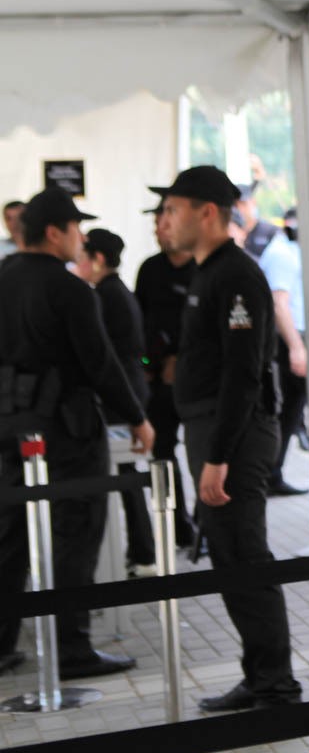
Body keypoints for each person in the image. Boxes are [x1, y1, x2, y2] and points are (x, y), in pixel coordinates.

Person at [157, 166, 301, 711]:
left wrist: (217, 457)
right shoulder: (209, 271)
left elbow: (243, 374)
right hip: (214, 429)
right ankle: (261, 676)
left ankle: (276, 685)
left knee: (244, 554)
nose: (166, 221)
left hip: (234, 434)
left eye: (173, 210)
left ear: (207, 213)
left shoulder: (236, 274)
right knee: (229, 556)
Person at [0, 188, 152, 679]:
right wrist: (136, 416)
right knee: (76, 534)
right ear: (53, 232)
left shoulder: (3, 277)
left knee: (8, 536)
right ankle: (72, 648)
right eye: (75, 228)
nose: (80, 238)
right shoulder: (70, 289)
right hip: (67, 429)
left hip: (7, 425)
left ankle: (2, 644)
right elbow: (100, 365)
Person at [77, 228, 157, 576]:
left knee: (125, 476)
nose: (76, 264)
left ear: (97, 259)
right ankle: (141, 551)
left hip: (121, 397)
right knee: (127, 476)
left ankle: (144, 553)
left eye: (81, 257)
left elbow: (104, 357)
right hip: (130, 391)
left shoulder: (105, 296)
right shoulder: (115, 291)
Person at [135, 199, 198, 549]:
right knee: (162, 451)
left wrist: (182, 359)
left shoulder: (204, 269)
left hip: (197, 381)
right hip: (159, 381)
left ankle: (206, 525)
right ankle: (178, 527)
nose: (159, 232)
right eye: (155, 226)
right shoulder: (150, 269)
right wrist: (146, 366)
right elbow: (140, 321)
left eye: (165, 224)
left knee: (205, 451)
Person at [256, 211, 309, 496]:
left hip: (296, 338)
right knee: (287, 411)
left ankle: (273, 473)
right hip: (290, 339)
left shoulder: (295, 251)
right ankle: (270, 474)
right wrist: (297, 347)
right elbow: (279, 303)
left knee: (293, 411)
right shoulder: (282, 254)